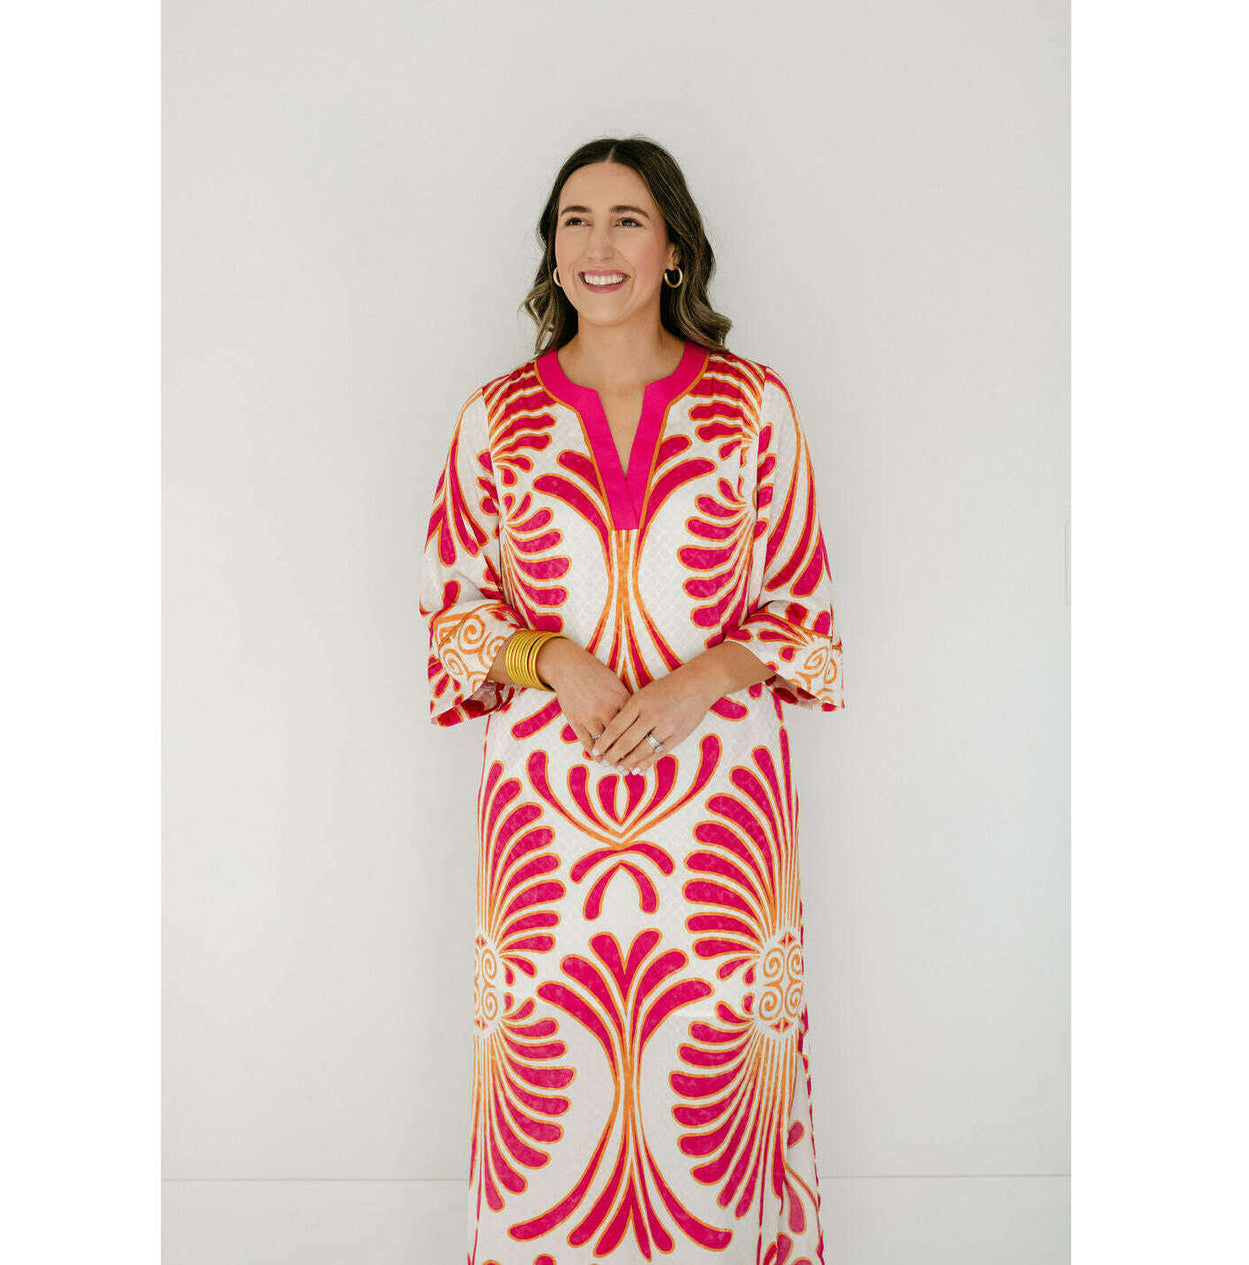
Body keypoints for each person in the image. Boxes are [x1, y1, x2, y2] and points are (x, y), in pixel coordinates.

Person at [419, 135, 844, 1265]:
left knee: (718, 1073)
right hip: (545, 820)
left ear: (672, 250)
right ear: (551, 250)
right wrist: (552, 656)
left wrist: (699, 678)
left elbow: (803, 611)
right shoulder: (493, 418)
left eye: (625, 219)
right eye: (574, 220)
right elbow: (451, 612)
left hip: (719, 816)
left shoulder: (753, 406)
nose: (596, 244)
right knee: (547, 1080)